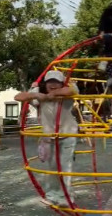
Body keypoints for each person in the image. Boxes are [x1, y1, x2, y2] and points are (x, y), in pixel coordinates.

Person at [15, 70, 79, 205]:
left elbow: (72, 91)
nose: (53, 85)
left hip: (68, 135)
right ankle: (52, 194)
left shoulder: (67, 96)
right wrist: (37, 93)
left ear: (62, 84)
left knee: (65, 167)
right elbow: (18, 97)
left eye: (56, 82)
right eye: (50, 82)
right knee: (53, 167)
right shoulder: (40, 99)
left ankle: (66, 197)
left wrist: (53, 94)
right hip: (50, 137)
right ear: (45, 84)